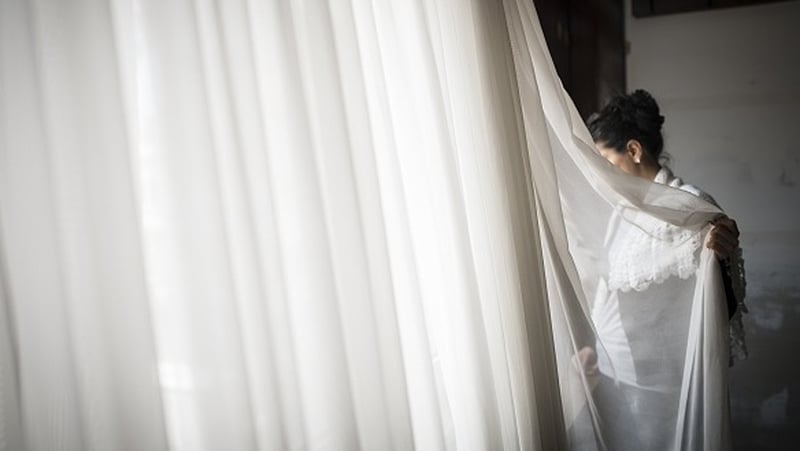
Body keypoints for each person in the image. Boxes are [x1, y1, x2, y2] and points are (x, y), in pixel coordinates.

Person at [569, 90, 747, 450]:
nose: (603, 177)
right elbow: (610, 292)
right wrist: (593, 347)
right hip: (614, 376)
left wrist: (724, 256)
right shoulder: (621, 214)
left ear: (634, 150)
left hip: (667, 383)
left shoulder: (691, 208)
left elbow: (720, 304)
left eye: (607, 162)